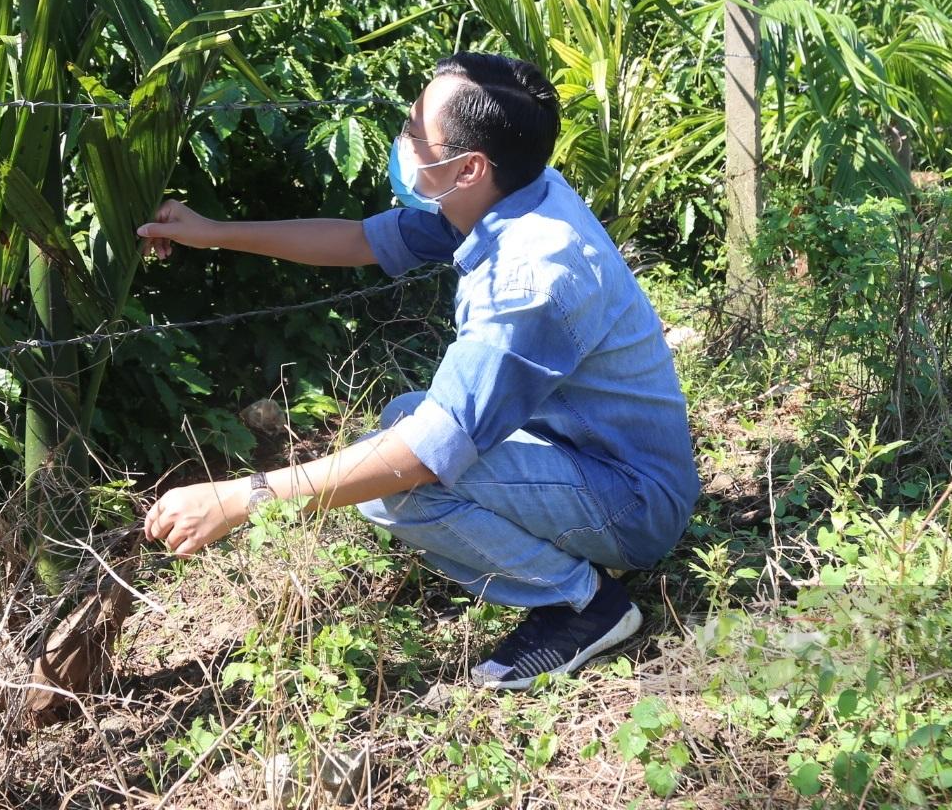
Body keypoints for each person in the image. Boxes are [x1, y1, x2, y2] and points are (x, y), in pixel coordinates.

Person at [138, 53, 699, 689]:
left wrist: (241, 497)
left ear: (468, 168)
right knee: (401, 421)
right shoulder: (512, 194)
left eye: (413, 131)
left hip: (632, 503)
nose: (403, 140)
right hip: (587, 455)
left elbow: (430, 454)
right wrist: (212, 233)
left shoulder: (531, 277)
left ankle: (582, 604)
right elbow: (360, 240)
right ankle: (570, 568)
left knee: (390, 481)